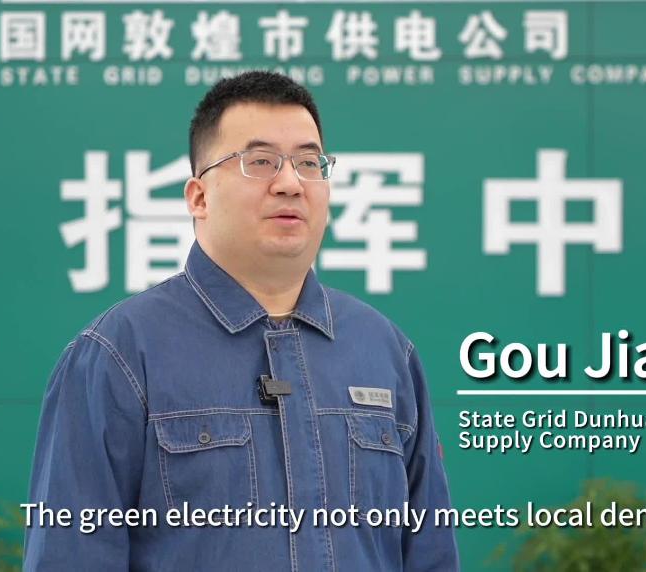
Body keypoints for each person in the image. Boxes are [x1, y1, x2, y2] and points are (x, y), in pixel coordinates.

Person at [24, 71, 459, 571]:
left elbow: (431, 556)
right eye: (260, 162)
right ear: (199, 197)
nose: (291, 184)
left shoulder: (385, 351)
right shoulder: (118, 354)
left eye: (309, 163)